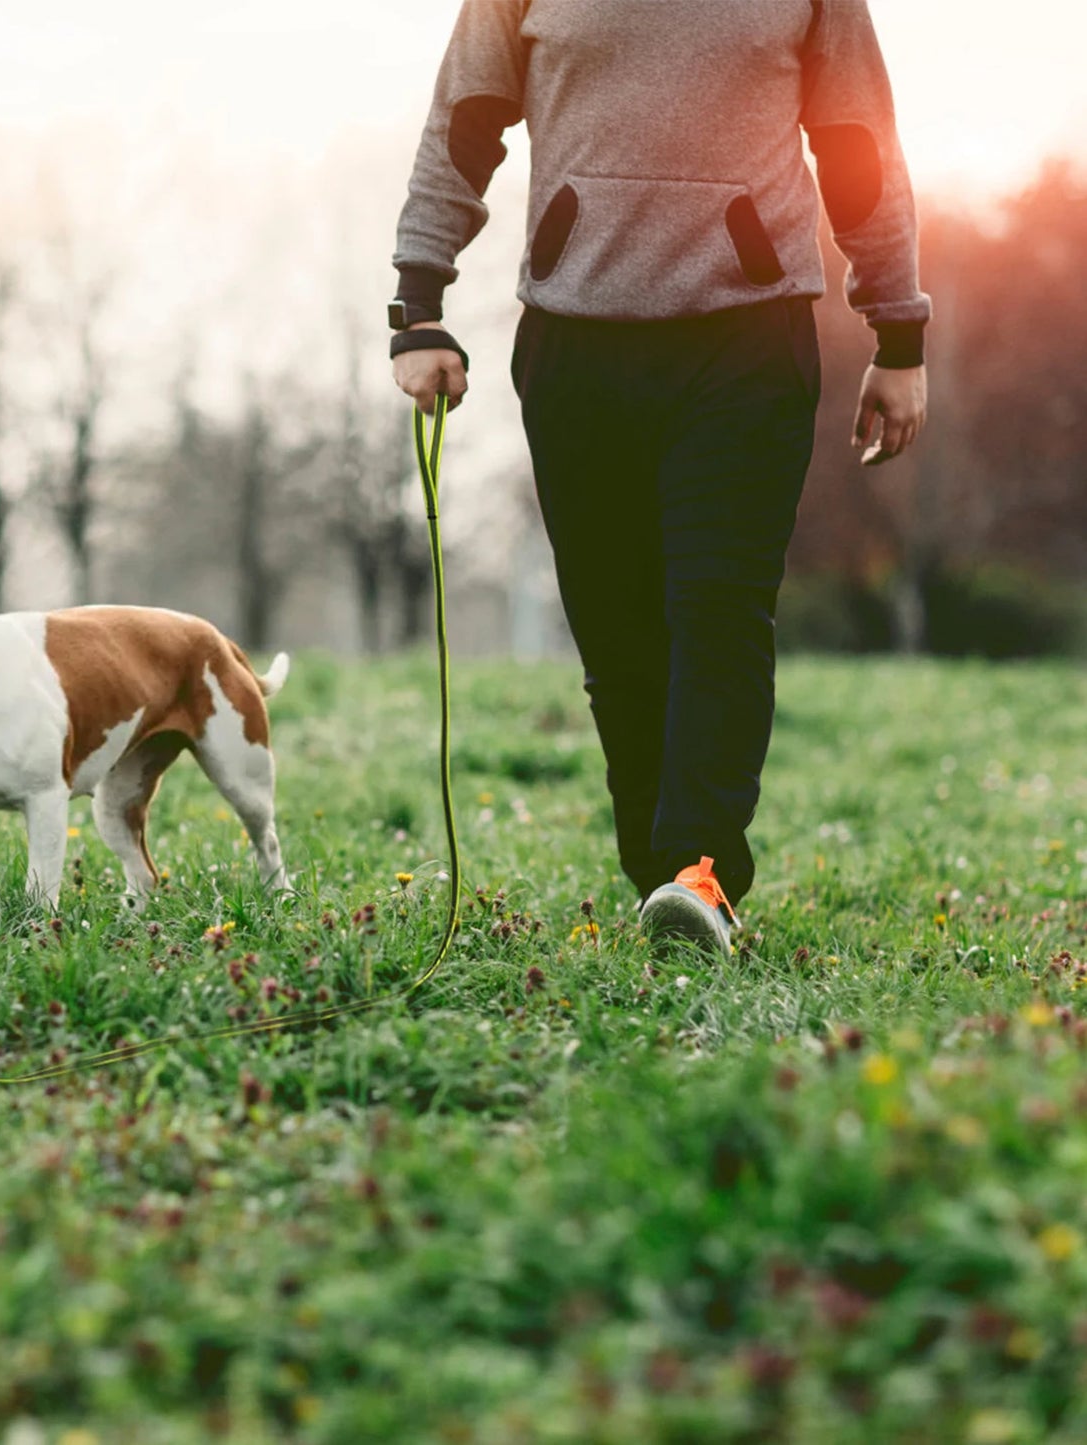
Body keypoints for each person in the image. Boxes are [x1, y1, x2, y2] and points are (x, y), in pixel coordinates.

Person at [389, 0, 929, 957]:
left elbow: (857, 144)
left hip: (746, 340)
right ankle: (659, 881)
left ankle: (699, 870)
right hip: (575, 340)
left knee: (717, 611)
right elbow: (462, 123)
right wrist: (418, 304)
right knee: (617, 633)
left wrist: (897, 331)